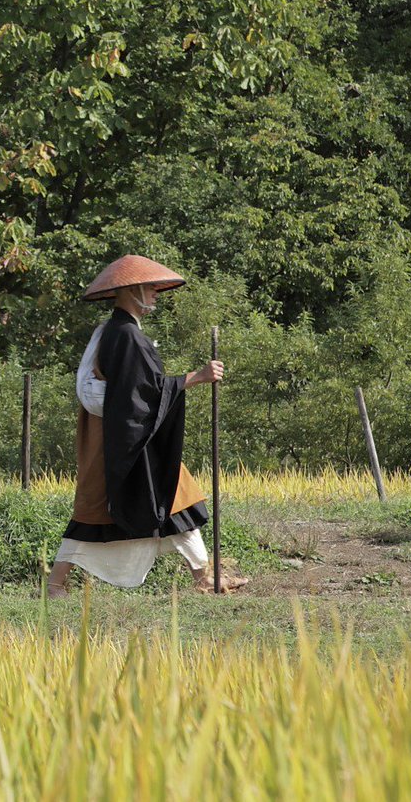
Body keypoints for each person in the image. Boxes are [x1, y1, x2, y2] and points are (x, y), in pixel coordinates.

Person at [45, 254, 247, 597]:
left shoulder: (123, 332)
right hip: (118, 437)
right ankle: (54, 585)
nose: (156, 293)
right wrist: (196, 377)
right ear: (132, 290)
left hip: (130, 431)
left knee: (177, 495)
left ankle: (204, 578)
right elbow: (142, 392)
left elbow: (139, 390)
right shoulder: (125, 335)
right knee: (94, 507)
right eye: (150, 287)